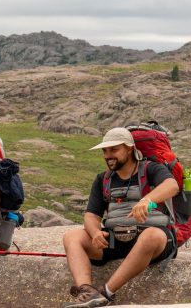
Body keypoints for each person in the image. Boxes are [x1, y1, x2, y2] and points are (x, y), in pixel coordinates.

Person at [61, 127, 179, 307]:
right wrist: (94, 233)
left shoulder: (151, 169)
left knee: (151, 236)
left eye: (114, 150)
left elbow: (171, 186)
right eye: (105, 151)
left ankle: (106, 293)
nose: (108, 155)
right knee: (72, 237)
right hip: (116, 239)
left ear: (129, 148)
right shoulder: (103, 179)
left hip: (154, 238)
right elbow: (92, 215)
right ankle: (87, 291)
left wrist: (147, 200)